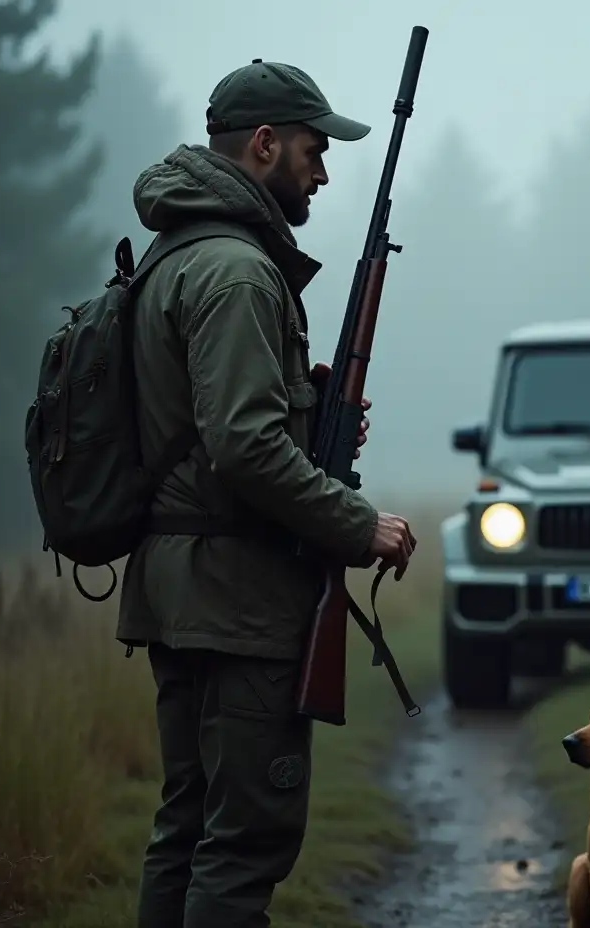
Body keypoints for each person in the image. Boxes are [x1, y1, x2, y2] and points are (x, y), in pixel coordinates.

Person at [115, 58, 416, 928]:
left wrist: (308, 412)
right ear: (263, 144)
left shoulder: (177, 255)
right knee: (243, 844)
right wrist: (359, 524)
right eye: (314, 151)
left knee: (187, 829)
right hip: (239, 602)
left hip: (182, 589)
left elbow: (206, 421)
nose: (321, 173)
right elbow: (243, 448)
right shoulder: (240, 273)